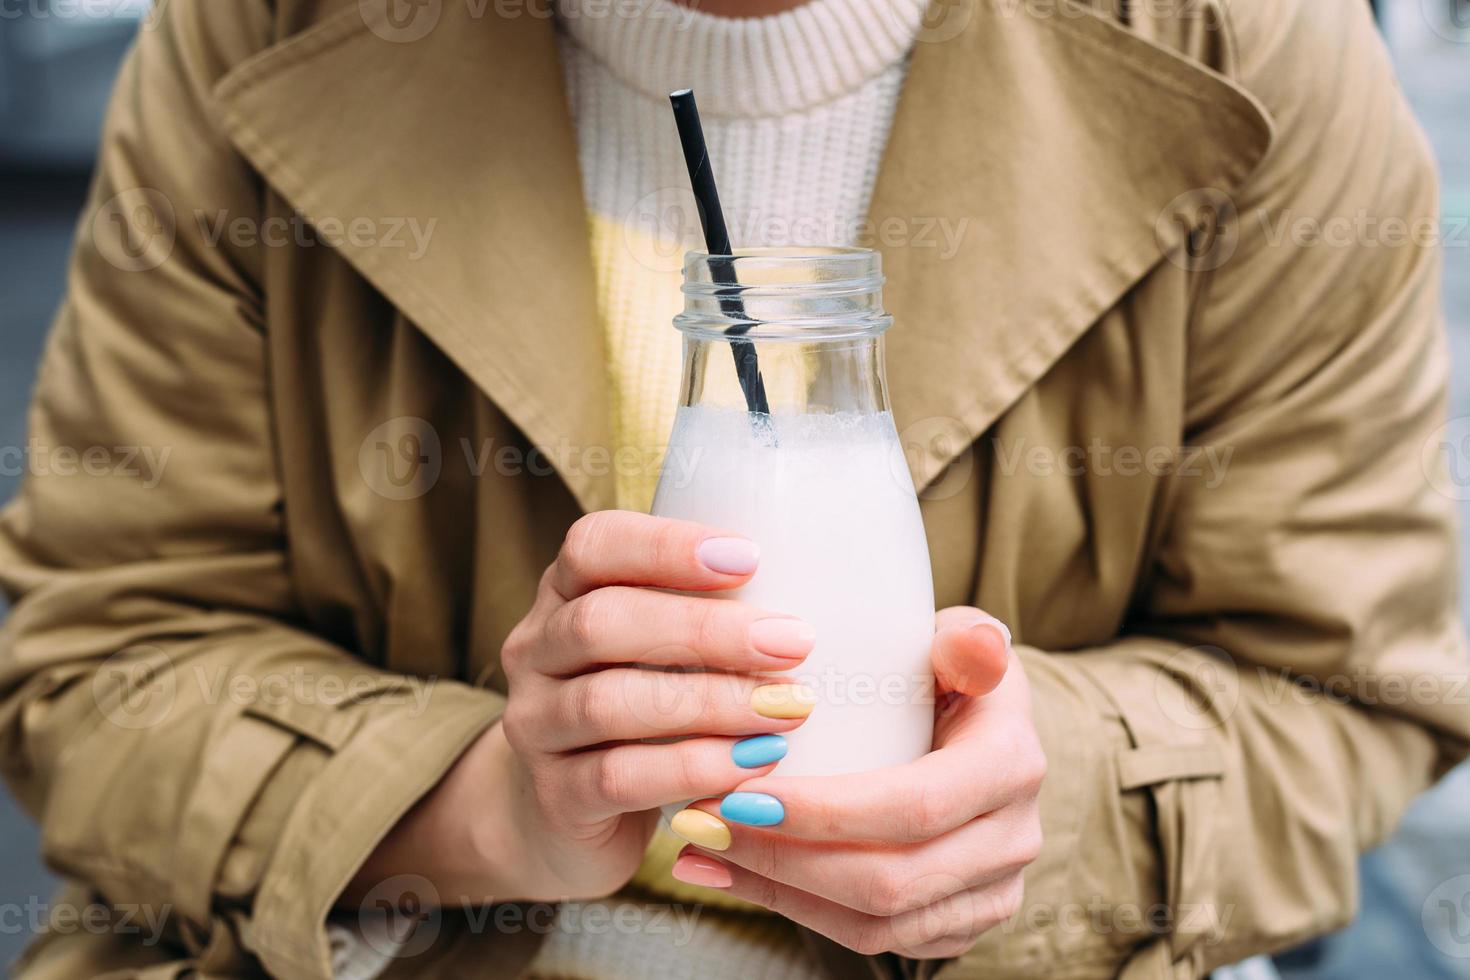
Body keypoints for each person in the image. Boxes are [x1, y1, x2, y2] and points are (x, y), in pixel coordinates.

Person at [1, 0, 1467, 977]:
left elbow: (1343, 695)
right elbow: (96, 668)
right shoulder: (255, 32)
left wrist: (1050, 796)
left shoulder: (1250, 46)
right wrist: (474, 810)